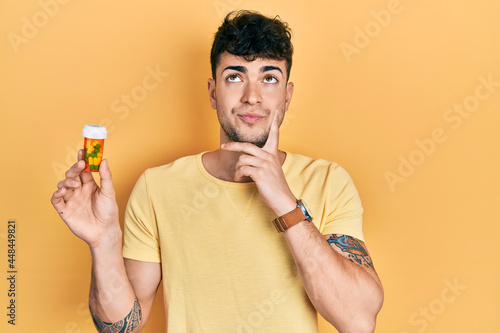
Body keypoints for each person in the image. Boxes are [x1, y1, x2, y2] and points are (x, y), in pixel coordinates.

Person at [51, 10, 383, 333]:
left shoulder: (328, 181)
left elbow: (357, 321)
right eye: (235, 77)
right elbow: (122, 326)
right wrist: (103, 241)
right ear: (213, 93)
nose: (252, 97)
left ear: (287, 96)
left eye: (269, 78)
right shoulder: (157, 187)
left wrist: (286, 204)